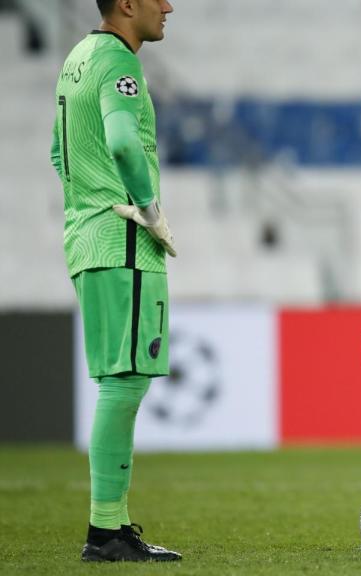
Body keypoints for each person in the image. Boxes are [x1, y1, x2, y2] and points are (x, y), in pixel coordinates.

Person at [52, 0, 181, 561]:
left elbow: (59, 154)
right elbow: (125, 144)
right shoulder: (119, 64)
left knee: (118, 379)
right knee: (125, 381)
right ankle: (105, 531)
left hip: (87, 236)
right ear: (128, 4)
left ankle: (111, 527)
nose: (168, 6)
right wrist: (148, 210)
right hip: (123, 239)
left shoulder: (77, 58)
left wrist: (87, 206)